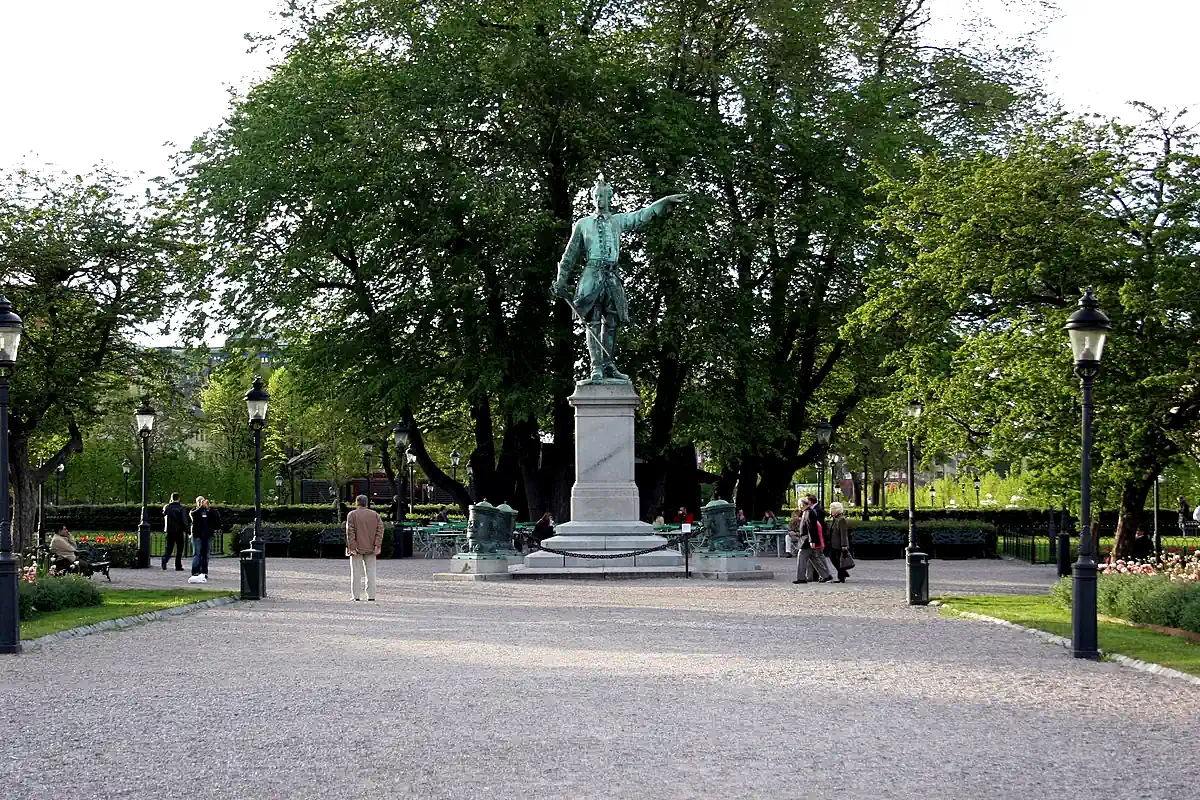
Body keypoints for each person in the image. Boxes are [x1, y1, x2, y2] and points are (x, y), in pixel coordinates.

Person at [345, 494, 384, 601]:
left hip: (356, 549)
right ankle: (371, 596)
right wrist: (377, 544)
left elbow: (350, 532)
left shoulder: (352, 515)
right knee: (371, 572)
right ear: (367, 503)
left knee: (356, 573)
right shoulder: (375, 515)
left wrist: (352, 546)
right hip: (371, 548)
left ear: (356, 502)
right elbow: (380, 530)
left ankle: (356, 596)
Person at [793, 497, 833, 584]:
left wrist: (812, 541)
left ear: (802, 504)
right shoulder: (808, 512)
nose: (798, 506)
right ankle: (825, 575)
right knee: (814, 559)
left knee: (801, 558)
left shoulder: (808, 513)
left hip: (806, 540)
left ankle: (801, 578)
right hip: (808, 540)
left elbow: (811, 528)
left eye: (799, 504)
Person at [188, 497, 221, 584]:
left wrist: (209, 508)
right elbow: (193, 516)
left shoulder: (210, 511)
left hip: (207, 535)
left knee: (205, 555)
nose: (201, 503)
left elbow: (217, 519)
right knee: (197, 553)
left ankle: (204, 572)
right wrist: (200, 508)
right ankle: (195, 572)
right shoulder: (194, 511)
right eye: (199, 502)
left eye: (202, 501)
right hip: (197, 535)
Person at [161, 492, 189, 571]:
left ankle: (165, 559)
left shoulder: (167, 507)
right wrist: (187, 530)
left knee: (169, 547)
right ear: (179, 498)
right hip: (178, 531)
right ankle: (178, 565)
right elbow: (184, 521)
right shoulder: (181, 507)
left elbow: (164, 515)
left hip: (169, 530)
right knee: (179, 549)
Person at [825, 501, 851, 582]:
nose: (831, 511)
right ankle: (843, 572)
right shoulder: (834, 518)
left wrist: (844, 544)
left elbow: (843, 533)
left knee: (838, 560)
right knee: (833, 558)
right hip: (832, 543)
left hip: (839, 543)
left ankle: (841, 577)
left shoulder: (841, 519)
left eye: (832, 509)